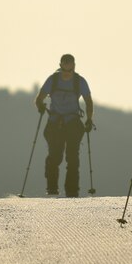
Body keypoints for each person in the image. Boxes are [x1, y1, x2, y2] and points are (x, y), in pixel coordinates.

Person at [34, 54, 94, 197]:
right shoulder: (53, 80)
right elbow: (39, 98)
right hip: (56, 123)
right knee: (55, 156)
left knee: (72, 157)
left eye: (70, 70)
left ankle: (71, 191)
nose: (67, 74)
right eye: (65, 70)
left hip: (71, 123)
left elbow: (89, 102)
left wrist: (89, 118)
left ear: (73, 67)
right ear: (60, 66)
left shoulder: (79, 81)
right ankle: (52, 188)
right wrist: (40, 106)